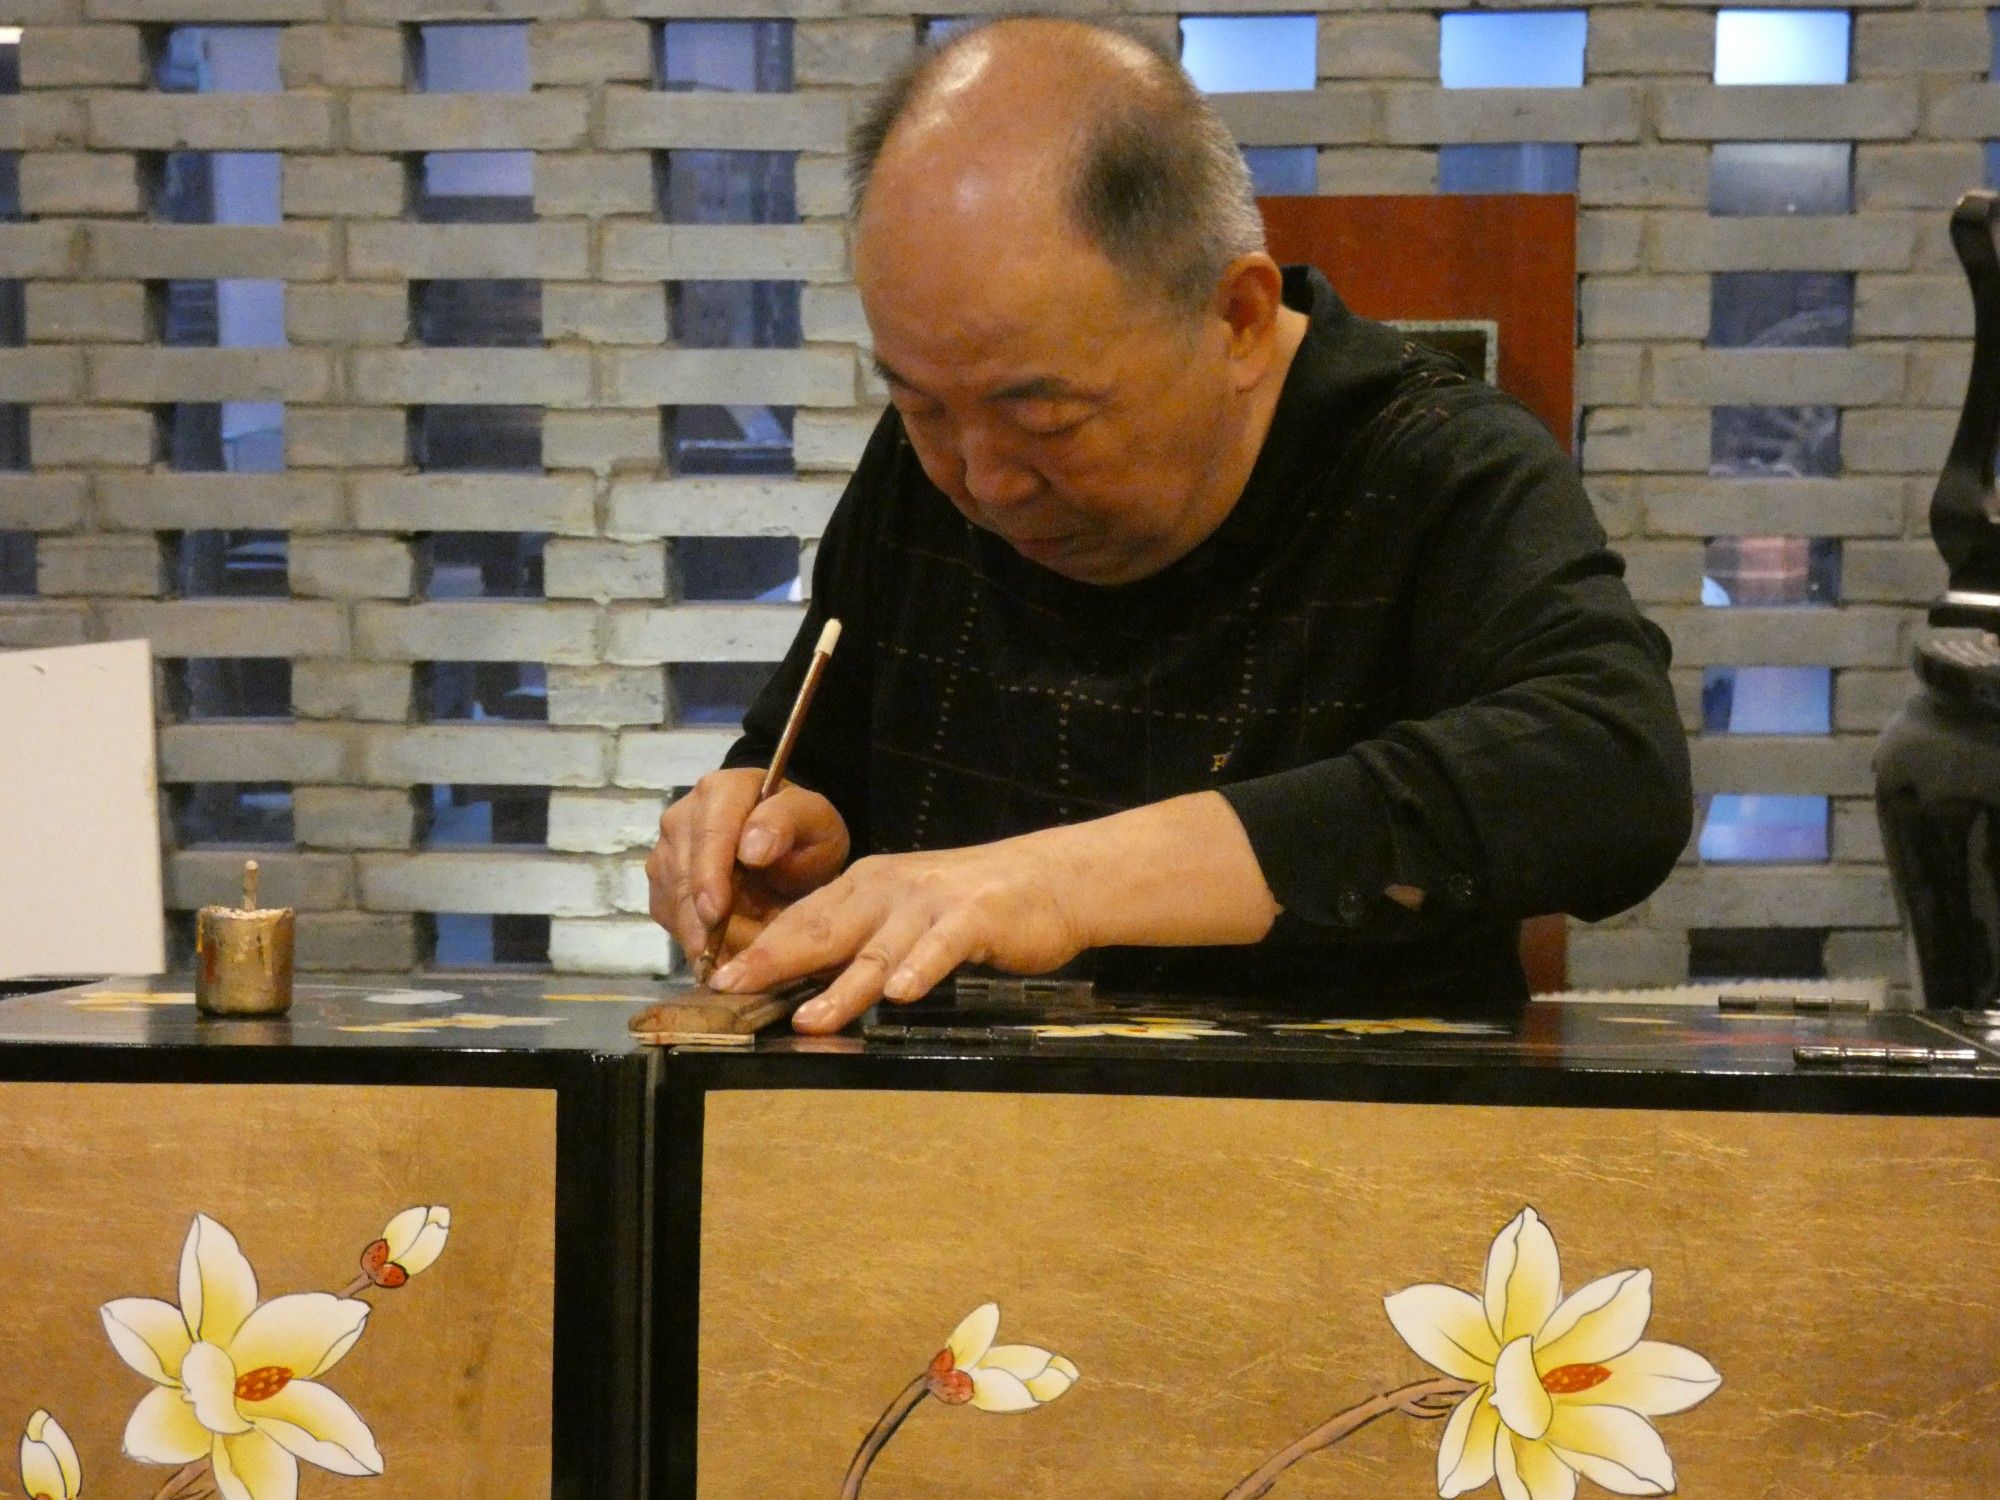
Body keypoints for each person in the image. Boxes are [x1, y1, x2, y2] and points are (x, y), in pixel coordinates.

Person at [644, 16, 1691, 1034]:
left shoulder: (1427, 465)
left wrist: (1058, 881)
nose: (982, 480)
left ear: (1235, 317)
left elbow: (1609, 774)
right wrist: (774, 842)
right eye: (917, 404)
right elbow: (814, 766)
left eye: (1043, 417)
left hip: (1333, 1166)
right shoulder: (940, 462)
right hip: (950, 1160)